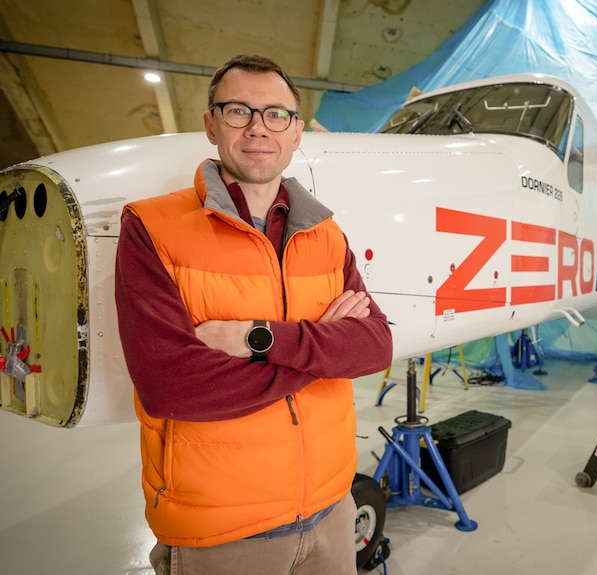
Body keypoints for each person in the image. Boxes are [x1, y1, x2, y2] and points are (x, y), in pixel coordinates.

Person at [114, 54, 393, 575]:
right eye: (238, 111)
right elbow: (172, 386)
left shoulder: (325, 235)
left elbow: (375, 346)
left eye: (276, 115)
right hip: (221, 530)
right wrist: (323, 351)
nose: (258, 128)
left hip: (333, 510)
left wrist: (257, 339)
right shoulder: (152, 228)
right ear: (211, 124)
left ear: (296, 132)